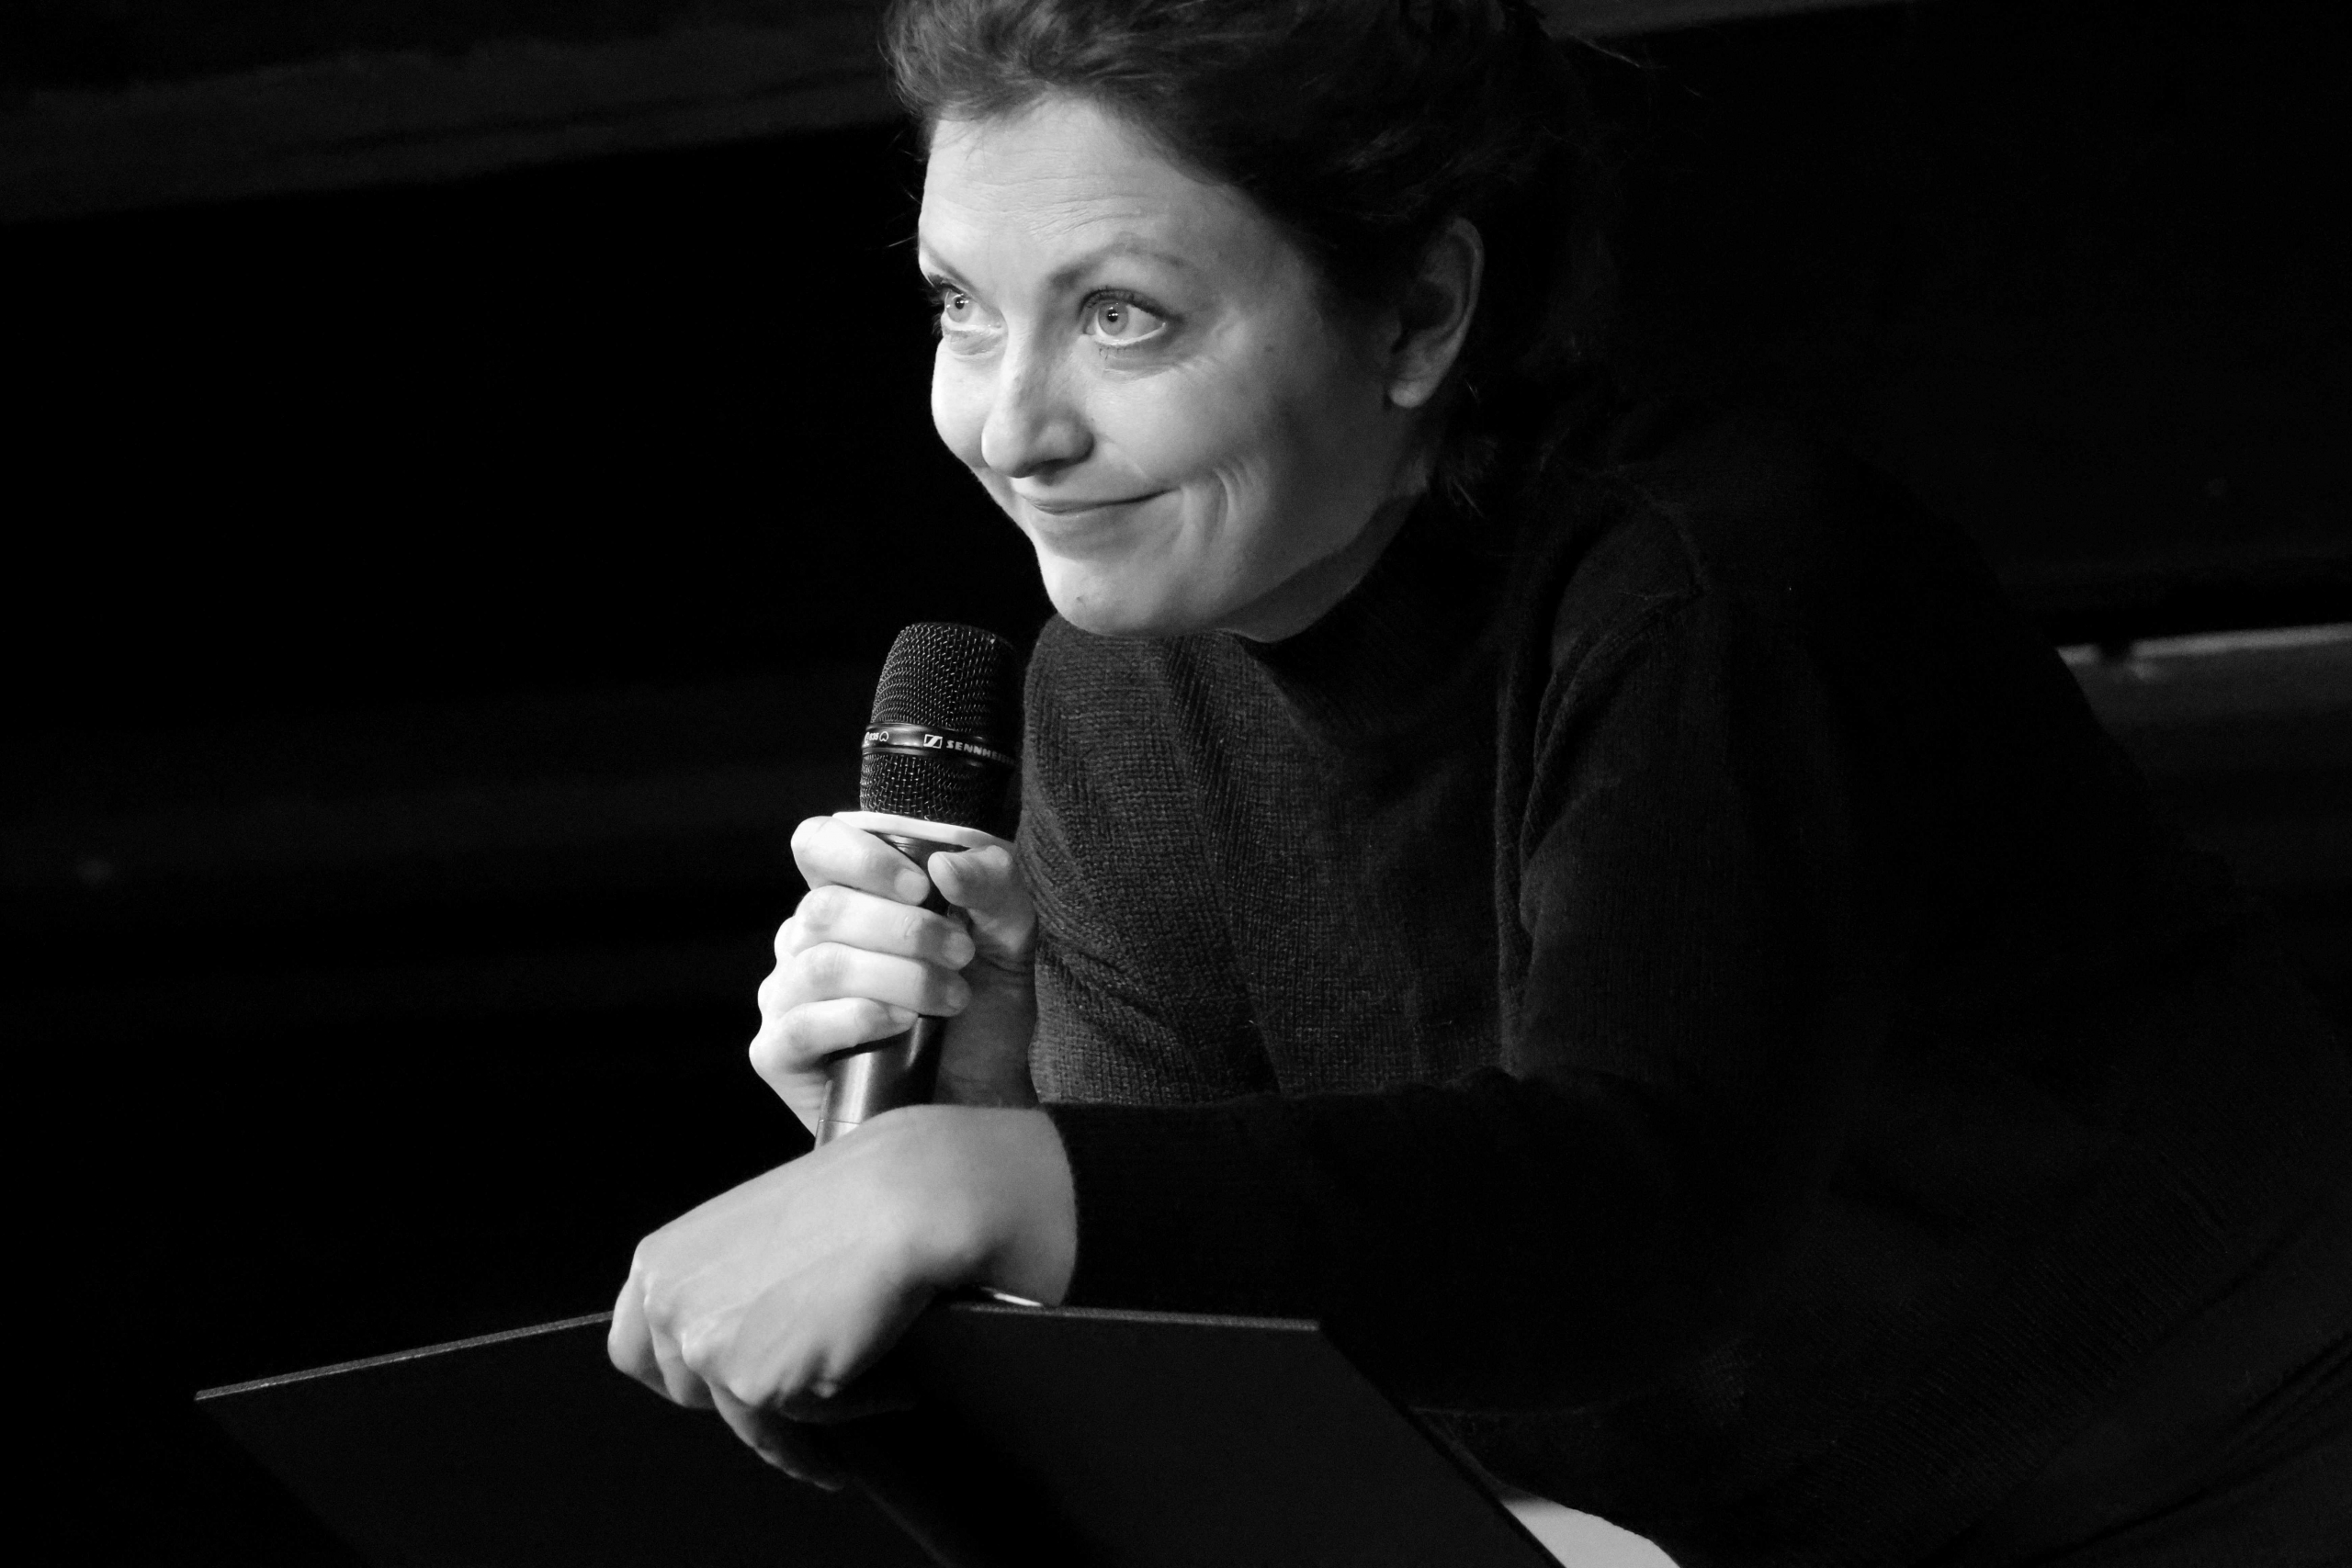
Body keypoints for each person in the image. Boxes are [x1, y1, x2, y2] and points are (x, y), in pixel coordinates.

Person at [608, 2, 2352, 1562]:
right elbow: (1248, 1386)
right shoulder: (1115, 702)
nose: (1011, 427)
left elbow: (1638, 1215)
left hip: (2222, 1480)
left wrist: (986, 1190)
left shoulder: (1702, 580)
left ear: (1420, 314)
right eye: (962, 309)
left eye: (1123, 317)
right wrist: (985, 1145)